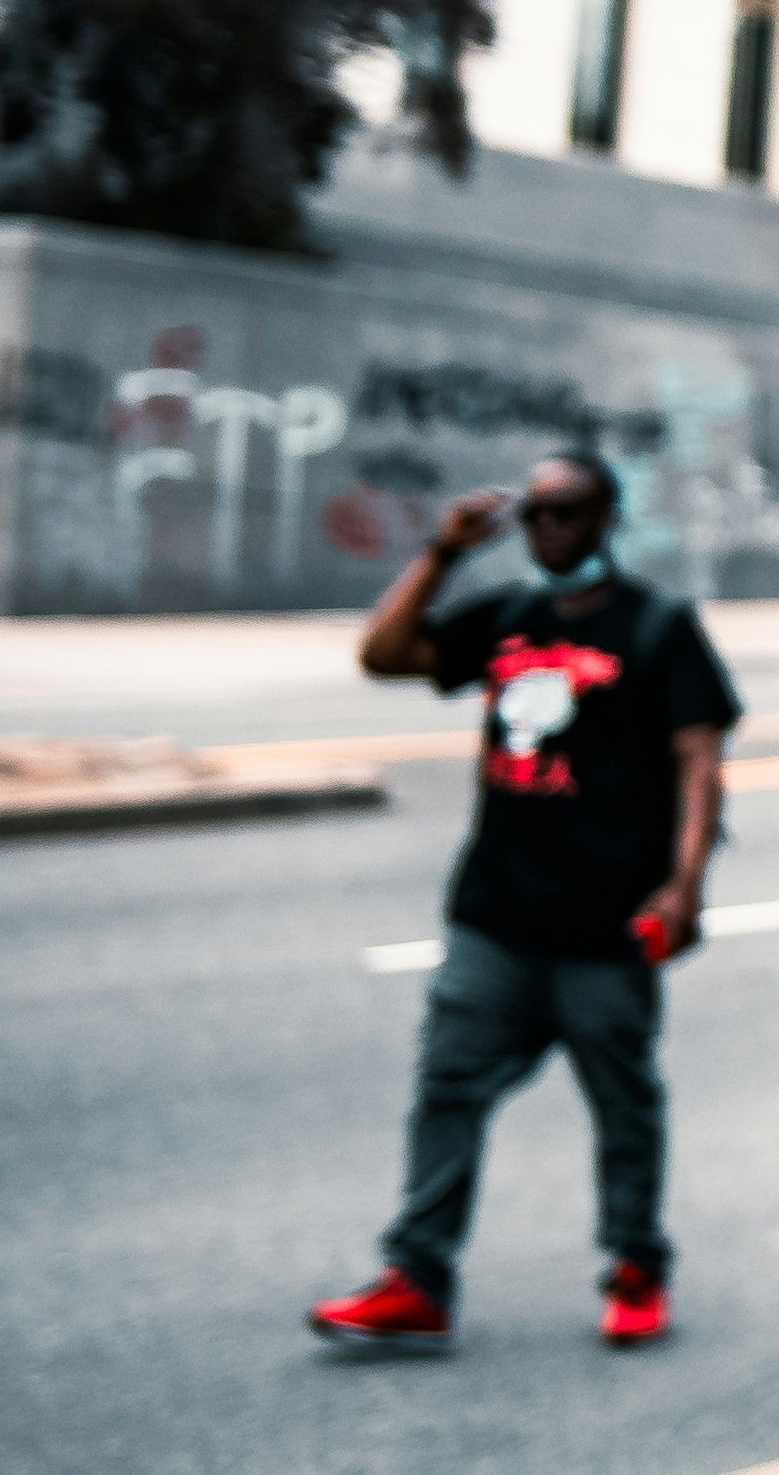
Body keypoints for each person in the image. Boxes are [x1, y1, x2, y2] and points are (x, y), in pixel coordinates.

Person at [309, 454, 737, 1356]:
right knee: (446, 1088)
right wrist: (441, 554)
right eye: (534, 513)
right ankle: (418, 1277)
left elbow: (698, 759)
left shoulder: (657, 626)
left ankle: (635, 1265)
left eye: (566, 511)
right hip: (493, 917)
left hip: (606, 926)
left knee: (622, 1102)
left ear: (606, 518)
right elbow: (382, 655)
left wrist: (685, 885)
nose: (548, 528)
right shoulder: (508, 617)